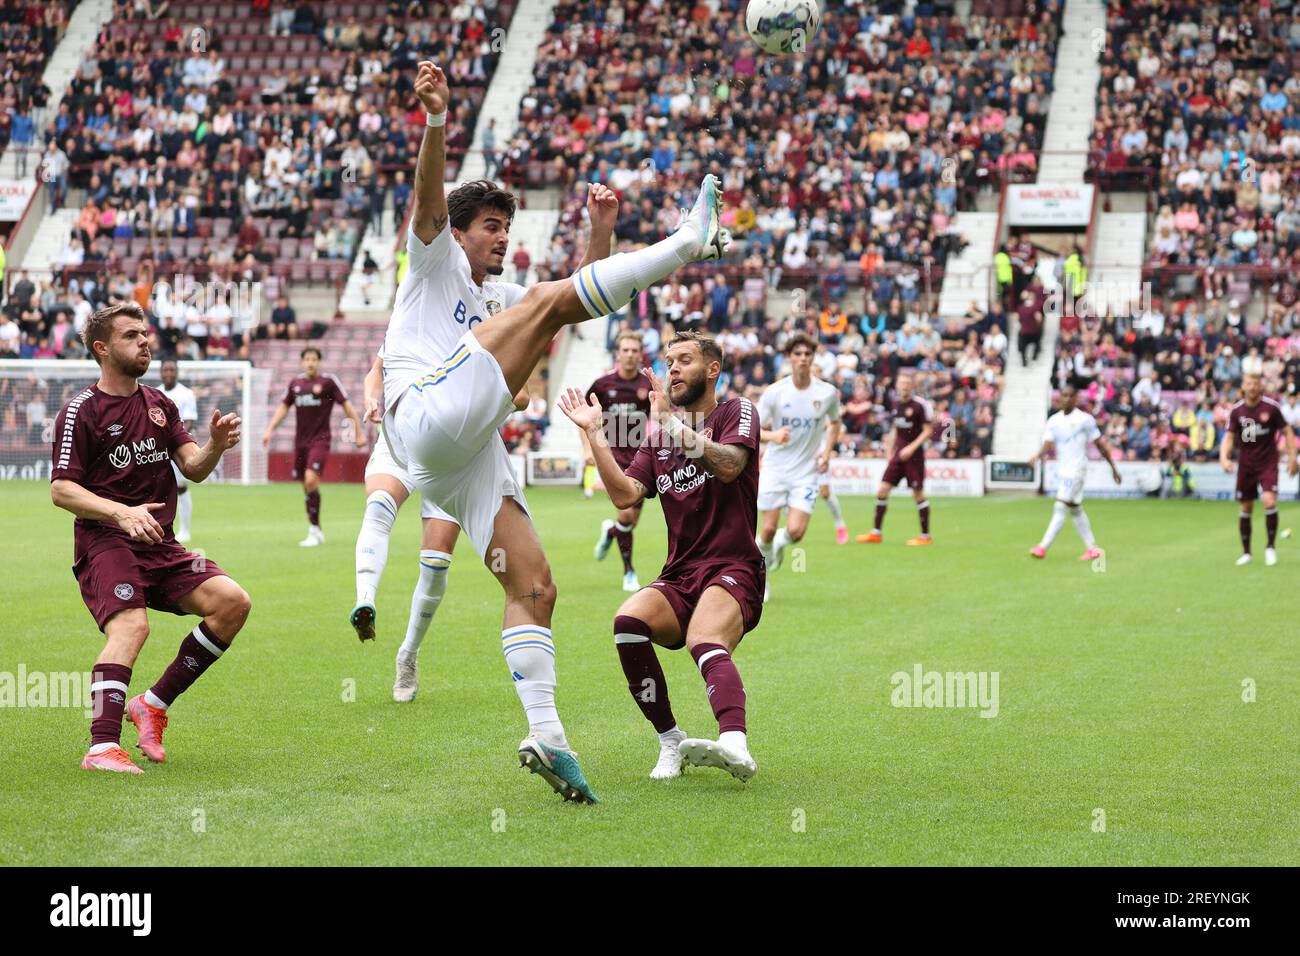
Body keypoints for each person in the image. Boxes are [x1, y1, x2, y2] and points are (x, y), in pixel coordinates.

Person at [379, 62, 728, 803]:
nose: (501, 237)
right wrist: (440, 120)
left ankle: (547, 734)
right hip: (422, 413)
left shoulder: (505, 296)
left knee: (534, 585)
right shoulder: (432, 263)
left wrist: (600, 238)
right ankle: (685, 243)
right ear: (460, 232)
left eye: (507, 226)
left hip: (462, 456)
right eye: (491, 227)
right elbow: (428, 202)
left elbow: (567, 304)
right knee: (542, 300)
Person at [50, 302, 250, 774]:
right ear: (102, 348)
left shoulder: (160, 404)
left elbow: (193, 469)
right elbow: (61, 489)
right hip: (106, 543)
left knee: (232, 603)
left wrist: (216, 446)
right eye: (131, 335)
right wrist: (120, 513)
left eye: (145, 333)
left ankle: (153, 705)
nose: (145, 341)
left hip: (161, 545)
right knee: (132, 626)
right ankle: (101, 747)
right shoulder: (82, 411)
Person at [558, 331, 763, 782]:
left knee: (704, 640)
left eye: (684, 360)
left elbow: (729, 466)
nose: (672, 369)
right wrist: (595, 434)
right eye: (669, 361)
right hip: (680, 572)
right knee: (628, 625)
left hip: (733, 566)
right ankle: (670, 739)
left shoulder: (736, 411)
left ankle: (735, 742)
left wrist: (671, 423)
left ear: (712, 370)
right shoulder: (656, 442)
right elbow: (624, 497)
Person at [755, 333, 842, 601]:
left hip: (805, 473)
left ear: (813, 358)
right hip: (775, 469)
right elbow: (752, 430)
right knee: (766, 530)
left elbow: (835, 423)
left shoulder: (826, 393)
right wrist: (773, 437)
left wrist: (827, 451)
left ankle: (780, 545)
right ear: (789, 358)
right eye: (798, 354)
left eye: (807, 355)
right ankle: (762, 579)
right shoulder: (775, 393)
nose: (803, 359)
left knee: (795, 532)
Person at [260, 347, 367, 546]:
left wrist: (358, 431)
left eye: (314, 359)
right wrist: (269, 429)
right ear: (302, 362)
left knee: (310, 481)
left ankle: (314, 530)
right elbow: (284, 406)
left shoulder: (328, 382)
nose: (310, 363)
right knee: (307, 486)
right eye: (307, 359)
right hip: (300, 442)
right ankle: (316, 529)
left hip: (321, 440)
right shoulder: (296, 384)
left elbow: (347, 405)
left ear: (319, 362)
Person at [581, 331, 652, 591]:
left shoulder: (647, 385)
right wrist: (587, 449)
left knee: (628, 522)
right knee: (626, 511)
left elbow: (663, 413)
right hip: (612, 458)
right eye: (626, 350)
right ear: (618, 353)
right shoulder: (602, 385)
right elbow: (584, 416)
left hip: (642, 460)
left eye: (635, 350)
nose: (630, 354)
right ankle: (629, 572)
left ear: (640, 354)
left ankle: (611, 531)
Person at [1027, 385, 1121, 560]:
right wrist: (1037, 456)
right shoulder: (1054, 421)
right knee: (1075, 508)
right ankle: (1092, 548)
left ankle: (1042, 547)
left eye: (1071, 395)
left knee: (1060, 505)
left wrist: (1113, 468)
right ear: (1059, 398)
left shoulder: (1085, 420)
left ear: (1076, 398)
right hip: (1063, 470)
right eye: (1064, 395)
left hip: (1077, 470)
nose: (1067, 398)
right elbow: (1047, 444)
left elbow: (1100, 445)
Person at [1220, 373, 1298, 566]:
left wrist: (1293, 458)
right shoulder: (1237, 411)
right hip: (1246, 464)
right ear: (1244, 387)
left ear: (1260, 386)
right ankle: (1247, 553)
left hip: (1267, 462)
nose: (1253, 387)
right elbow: (1229, 437)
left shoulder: (1271, 408)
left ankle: (1270, 548)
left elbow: (1287, 431)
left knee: (1269, 501)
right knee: (1245, 508)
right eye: (1249, 384)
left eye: (1256, 384)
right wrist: (1224, 457)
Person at [858, 373, 934, 545]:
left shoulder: (920, 405)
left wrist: (911, 447)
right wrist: (889, 450)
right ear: (897, 385)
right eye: (902, 383)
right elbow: (895, 429)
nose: (904, 386)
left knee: (918, 494)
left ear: (912, 385)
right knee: (882, 490)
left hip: (914, 456)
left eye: (908, 383)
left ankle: (925, 536)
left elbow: (928, 431)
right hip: (897, 456)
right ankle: (876, 533)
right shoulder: (896, 404)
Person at [158, 360, 198, 542]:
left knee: (181, 487)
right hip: (157, 449)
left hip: (178, 447)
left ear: (177, 372)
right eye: (165, 370)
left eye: (172, 370)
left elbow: (189, 420)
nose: (168, 373)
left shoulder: (186, 394)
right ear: (160, 372)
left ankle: (185, 530)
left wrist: (174, 441)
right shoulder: (155, 393)